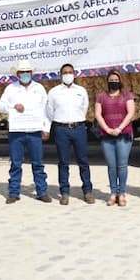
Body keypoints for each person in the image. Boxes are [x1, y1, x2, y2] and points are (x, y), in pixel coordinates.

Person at [0, 59, 52, 204]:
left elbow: (46, 110)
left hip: (35, 130)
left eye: (28, 72)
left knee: (38, 163)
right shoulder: (10, 88)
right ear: (18, 74)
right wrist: (13, 105)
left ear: (31, 73)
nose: (25, 74)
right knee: (16, 163)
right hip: (17, 131)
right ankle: (14, 193)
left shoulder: (39, 88)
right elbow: (0, 106)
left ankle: (42, 192)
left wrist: (46, 128)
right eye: (22, 72)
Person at [46, 63, 94, 205]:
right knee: (63, 162)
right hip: (61, 129)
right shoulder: (54, 92)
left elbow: (84, 108)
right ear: (61, 75)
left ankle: (87, 191)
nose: (68, 74)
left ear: (74, 74)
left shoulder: (81, 90)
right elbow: (49, 111)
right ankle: (65, 192)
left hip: (79, 128)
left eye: (70, 72)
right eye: (65, 72)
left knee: (83, 161)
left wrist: (77, 122)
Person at [95, 69, 136, 206]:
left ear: (120, 81)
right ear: (107, 81)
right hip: (107, 136)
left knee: (122, 165)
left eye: (116, 80)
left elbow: (130, 113)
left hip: (123, 134)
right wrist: (107, 129)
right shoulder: (101, 96)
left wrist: (119, 128)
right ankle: (113, 193)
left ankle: (122, 193)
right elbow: (98, 114)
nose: (113, 82)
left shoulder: (127, 95)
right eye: (111, 80)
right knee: (112, 166)